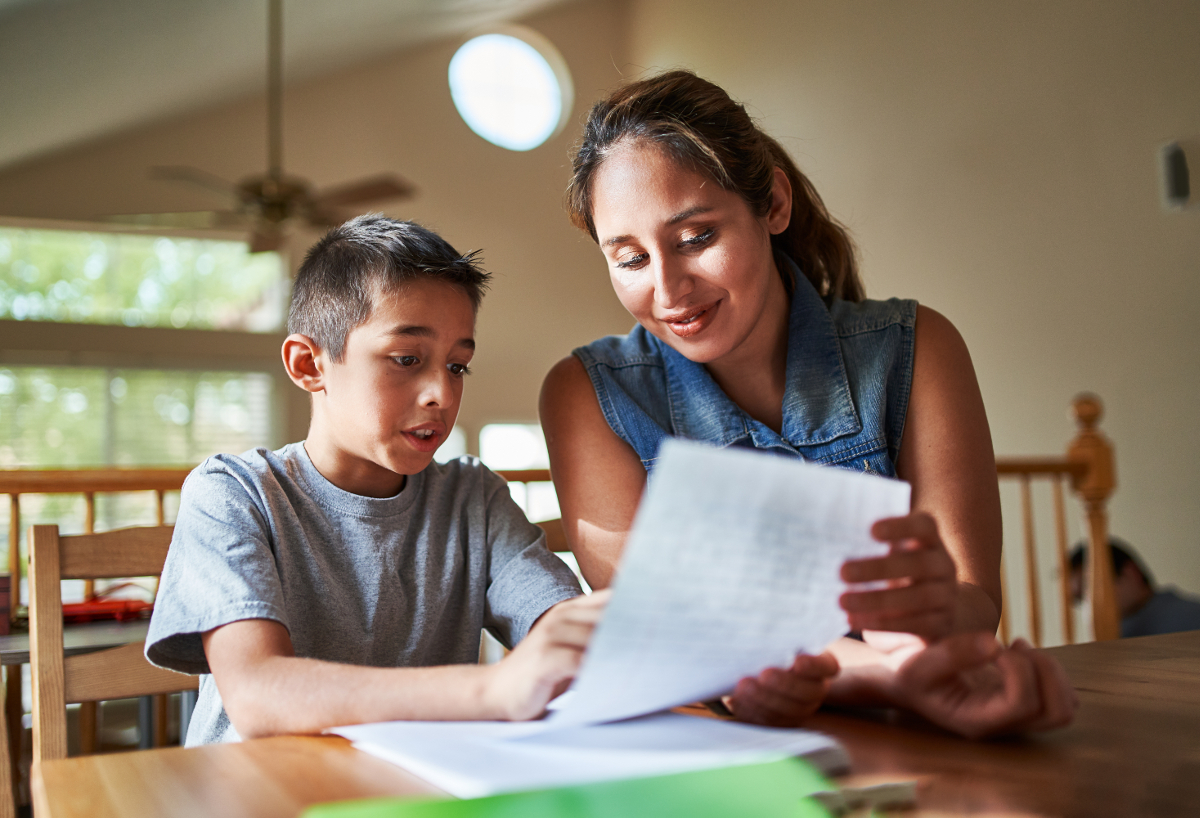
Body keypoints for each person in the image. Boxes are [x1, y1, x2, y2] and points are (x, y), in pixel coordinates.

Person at [541, 70, 1076, 737]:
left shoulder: (917, 348)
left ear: (772, 202)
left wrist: (934, 620)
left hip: (912, 737)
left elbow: (972, 602)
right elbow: (673, 639)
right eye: (630, 258)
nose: (669, 288)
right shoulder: (587, 395)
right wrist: (891, 675)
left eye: (696, 238)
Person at [145, 215, 606, 744]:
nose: (442, 393)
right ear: (308, 364)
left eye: (458, 366)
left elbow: (559, 624)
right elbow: (257, 693)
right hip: (257, 792)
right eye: (406, 358)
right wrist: (492, 690)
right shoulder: (233, 492)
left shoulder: (472, 498)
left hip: (412, 787)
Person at [1069, 538, 1200, 638]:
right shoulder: (1112, 636)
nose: (1089, 604)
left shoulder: (1188, 619)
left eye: (1090, 588)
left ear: (1130, 572)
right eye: (1080, 599)